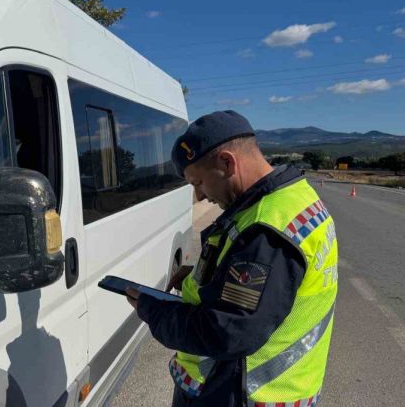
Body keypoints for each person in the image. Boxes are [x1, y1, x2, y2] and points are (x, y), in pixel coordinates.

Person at [126, 110, 338, 407]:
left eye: (198, 182)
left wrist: (153, 310)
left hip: (240, 394)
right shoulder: (293, 199)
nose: (199, 197)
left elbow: (226, 332)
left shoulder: (266, 232)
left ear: (227, 163)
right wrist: (210, 273)